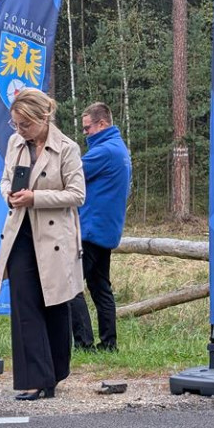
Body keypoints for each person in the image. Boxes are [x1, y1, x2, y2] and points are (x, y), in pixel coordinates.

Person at [0, 88, 85, 401]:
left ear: (43, 117)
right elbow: (5, 180)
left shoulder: (67, 148)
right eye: (16, 125)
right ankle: (34, 378)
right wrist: (8, 194)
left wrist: (37, 198)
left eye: (26, 125)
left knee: (55, 304)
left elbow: (77, 194)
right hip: (19, 233)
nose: (20, 131)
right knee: (24, 305)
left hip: (53, 238)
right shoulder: (14, 143)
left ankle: (55, 373)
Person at [70, 102, 132, 352]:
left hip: (90, 230)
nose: (85, 134)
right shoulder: (118, 148)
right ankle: (109, 343)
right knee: (99, 287)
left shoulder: (103, 151)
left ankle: (84, 343)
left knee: (71, 286)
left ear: (102, 124)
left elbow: (70, 174)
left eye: (87, 129)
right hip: (105, 230)